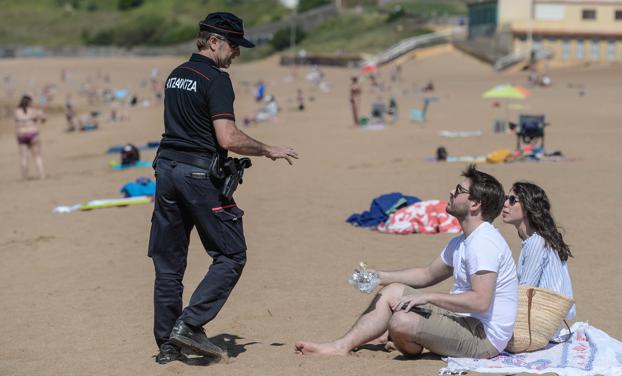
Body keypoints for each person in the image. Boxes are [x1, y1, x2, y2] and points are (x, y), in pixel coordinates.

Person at [148, 12, 299, 365]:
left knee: (169, 265)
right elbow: (227, 138)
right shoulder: (215, 79)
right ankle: (189, 324)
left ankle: (168, 346)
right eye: (233, 45)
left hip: (166, 170)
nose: (236, 53)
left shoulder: (176, 75)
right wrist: (267, 149)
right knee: (231, 254)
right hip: (198, 176)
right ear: (213, 41)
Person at [296, 165, 517, 359]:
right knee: (392, 291)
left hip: (483, 337)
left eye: (459, 190)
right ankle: (340, 346)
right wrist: (379, 276)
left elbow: (480, 302)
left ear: (475, 203)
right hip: (463, 322)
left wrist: (428, 298)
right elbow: (427, 275)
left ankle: (407, 337)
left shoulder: (483, 242)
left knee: (400, 321)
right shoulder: (463, 241)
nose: (451, 192)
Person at [501, 181, 575, 340]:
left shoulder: (536, 242)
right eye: (506, 198)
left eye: (512, 200)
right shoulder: (533, 241)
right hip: (544, 322)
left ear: (527, 208)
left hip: (539, 326)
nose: (505, 204)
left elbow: (525, 290)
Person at [14, 95, 46, 180]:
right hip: (33, 133)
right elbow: (43, 119)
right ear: (30, 102)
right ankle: (42, 175)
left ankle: (24, 177)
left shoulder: (17, 111)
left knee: (24, 157)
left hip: (21, 135)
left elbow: (17, 121)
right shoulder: (33, 111)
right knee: (37, 156)